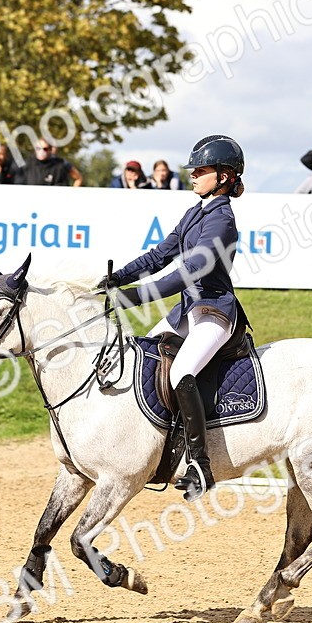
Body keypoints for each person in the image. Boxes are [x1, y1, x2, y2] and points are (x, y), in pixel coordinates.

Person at [101, 135, 249, 502]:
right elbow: (159, 255)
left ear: (225, 176)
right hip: (185, 310)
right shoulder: (194, 213)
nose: (193, 176)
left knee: (182, 373)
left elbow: (190, 271)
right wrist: (120, 277)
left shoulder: (223, 220)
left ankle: (200, 464)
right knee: (143, 358)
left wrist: (135, 296)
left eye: (201, 170)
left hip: (215, 311)